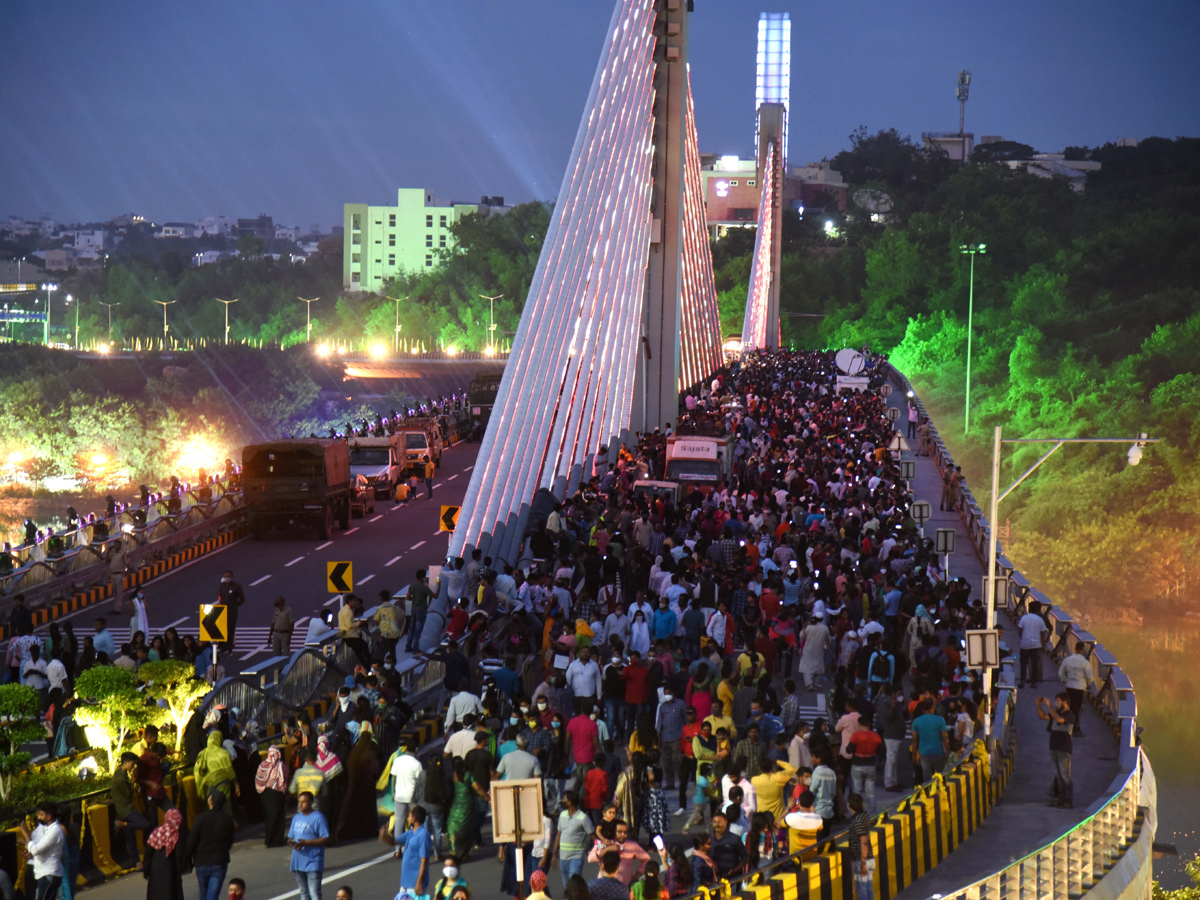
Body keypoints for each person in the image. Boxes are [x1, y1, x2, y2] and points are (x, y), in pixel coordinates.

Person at [188, 791, 235, 900]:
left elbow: (192, 840)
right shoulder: (227, 819)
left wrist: (189, 859)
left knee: (203, 894)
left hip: (201, 862)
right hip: (219, 861)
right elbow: (230, 840)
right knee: (212, 896)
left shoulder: (201, 818)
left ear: (211, 801)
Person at [111, 752, 154, 868]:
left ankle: (138, 863)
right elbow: (128, 794)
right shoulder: (120, 778)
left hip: (123, 809)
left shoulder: (121, 774)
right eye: (132, 764)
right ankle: (122, 824)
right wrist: (133, 781)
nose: (133, 766)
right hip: (126, 810)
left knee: (131, 838)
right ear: (125, 763)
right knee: (146, 824)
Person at [382, 805, 434, 897]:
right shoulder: (410, 833)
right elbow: (394, 841)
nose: (408, 818)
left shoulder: (423, 835)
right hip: (405, 882)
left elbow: (424, 861)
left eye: (409, 816)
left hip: (415, 884)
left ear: (414, 819)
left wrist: (418, 883)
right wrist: (384, 837)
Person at [288, 791, 330, 900]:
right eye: (299, 802)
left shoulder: (318, 818)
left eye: (304, 802)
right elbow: (291, 837)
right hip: (297, 862)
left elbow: (325, 838)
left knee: (314, 894)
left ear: (311, 802)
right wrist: (292, 843)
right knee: (304, 894)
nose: (301, 805)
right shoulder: (296, 818)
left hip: (313, 861)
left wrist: (306, 842)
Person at [1037, 693, 1075, 808]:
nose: (1056, 703)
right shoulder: (1055, 713)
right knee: (1058, 775)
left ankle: (1068, 800)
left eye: (1058, 700)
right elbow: (1043, 717)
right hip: (1054, 747)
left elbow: (1059, 719)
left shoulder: (1069, 714)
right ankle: (1060, 799)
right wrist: (1039, 706)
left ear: (1065, 702)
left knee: (1065, 776)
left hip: (1064, 748)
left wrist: (1049, 706)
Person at [21, 802, 65, 900]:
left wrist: (26, 834)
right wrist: (30, 856)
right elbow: (42, 851)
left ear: (49, 816)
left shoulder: (54, 831)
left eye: (41, 815)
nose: (38, 817)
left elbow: (36, 850)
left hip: (49, 873)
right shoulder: (48, 829)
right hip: (43, 873)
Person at [554, 790, 594, 892]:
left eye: (564, 799)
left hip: (576, 858)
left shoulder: (583, 818)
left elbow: (593, 836)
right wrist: (554, 855)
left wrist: (595, 851)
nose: (562, 801)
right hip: (563, 857)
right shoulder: (562, 815)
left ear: (570, 802)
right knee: (566, 886)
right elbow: (558, 835)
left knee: (574, 886)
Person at [143, 809, 185, 900]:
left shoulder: (156, 832)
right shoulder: (176, 836)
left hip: (155, 872)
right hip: (170, 873)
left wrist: (146, 872)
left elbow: (147, 855)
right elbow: (179, 858)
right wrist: (178, 875)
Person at [1058, 641, 1095, 738]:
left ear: (1075, 648)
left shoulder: (1067, 660)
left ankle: (1066, 727)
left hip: (1069, 687)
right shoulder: (1085, 663)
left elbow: (1061, 673)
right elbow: (1090, 677)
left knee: (1068, 708)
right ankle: (1075, 729)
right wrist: (1088, 685)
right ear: (1083, 650)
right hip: (1080, 689)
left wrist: (1065, 680)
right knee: (1077, 710)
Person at [256, 746, 290, 847]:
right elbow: (286, 779)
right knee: (277, 817)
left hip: (265, 795)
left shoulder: (262, 765)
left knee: (269, 817)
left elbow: (258, 780)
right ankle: (277, 840)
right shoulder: (282, 766)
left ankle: (269, 839)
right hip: (277, 795)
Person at [391, 741, 426, 837]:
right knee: (416, 821)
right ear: (416, 750)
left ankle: (397, 850)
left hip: (399, 796)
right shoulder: (417, 764)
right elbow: (420, 782)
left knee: (399, 823)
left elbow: (394, 778)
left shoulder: (398, 760)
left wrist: (394, 792)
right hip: (412, 797)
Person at [910, 699, 950, 783]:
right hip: (938, 751)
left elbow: (915, 740)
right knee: (941, 776)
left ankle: (928, 794)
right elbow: (945, 738)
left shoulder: (916, 721)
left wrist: (914, 755)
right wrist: (948, 752)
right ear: (932, 707)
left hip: (924, 752)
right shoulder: (940, 720)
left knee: (927, 778)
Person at [194, 732, 237, 805]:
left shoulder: (201, 754)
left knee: (212, 809)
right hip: (222, 788)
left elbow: (197, 771)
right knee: (224, 810)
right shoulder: (223, 753)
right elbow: (230, 771)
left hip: (207, 788)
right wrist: (237, 785)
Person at [847, 793, 875, 900]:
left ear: (850, 806)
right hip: (869, 858)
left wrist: (862, 863)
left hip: (861, 860)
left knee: (861, 892)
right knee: (868, 889)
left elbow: (864, 842)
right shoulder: (864, 815)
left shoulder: (857, 821)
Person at [1017, 601, 1049, 688]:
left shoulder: (1024, 618)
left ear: (1029, 609)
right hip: (1036, 645)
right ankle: (1034, 683)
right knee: (1035, 664)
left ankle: (1022, 681)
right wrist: (1043, 645)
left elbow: (1019, 629)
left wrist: (1023, 638)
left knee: (1023, 663)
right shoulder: (1040, 620)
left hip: (1025, 644)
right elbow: (1042, 634)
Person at [216, 570, 245, 654]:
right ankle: (221, 646)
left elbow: (242, 599)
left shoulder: (236, 587)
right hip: (222, 610)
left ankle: (229, 647)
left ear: (232, 577)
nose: (227, 578)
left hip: (232, 611)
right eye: (225, 576)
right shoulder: (222, 585)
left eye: (229, 576)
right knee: (221, 629)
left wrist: (235, 605)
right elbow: (221, 597)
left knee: (230, 629)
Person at [407, 570, 434, 653]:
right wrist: (439, 586)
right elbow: (435, 596)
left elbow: (407, 597)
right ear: (423, 577)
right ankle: (415, 647)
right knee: (418, 629)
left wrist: (414, 599)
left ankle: (408, 646)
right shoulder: (424, 588)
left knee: (412, 627)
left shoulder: (412, 585)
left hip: (414, 608)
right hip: (421, 610)